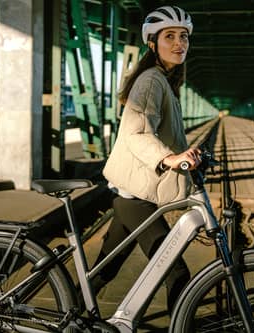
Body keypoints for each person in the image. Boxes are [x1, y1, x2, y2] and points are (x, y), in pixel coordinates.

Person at [92, 5, 200, 313]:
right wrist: (169, 159)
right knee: (176, 271)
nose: (179, 43)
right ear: (152, 43)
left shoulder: (162, 80)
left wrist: (191, 156)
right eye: (169, 36)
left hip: (135, 192)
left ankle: (72, 315)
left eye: (184, 36)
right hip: (135, 196)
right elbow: (138, 134)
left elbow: (166, 133)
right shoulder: (152, 80)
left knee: (106, 268)